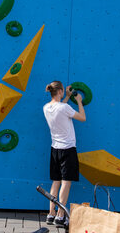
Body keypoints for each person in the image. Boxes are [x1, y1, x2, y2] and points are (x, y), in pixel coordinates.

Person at [43, 81, 86, 227]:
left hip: (55, 149)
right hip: (68, 150)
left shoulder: (46, 107)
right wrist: (79, 101)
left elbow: (61, 110)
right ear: (60, 91)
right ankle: (61, 217)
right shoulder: (65, 107)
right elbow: (82, 117)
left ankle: (51, 214)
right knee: (66, 182)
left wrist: (67, 97)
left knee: (56, 181)